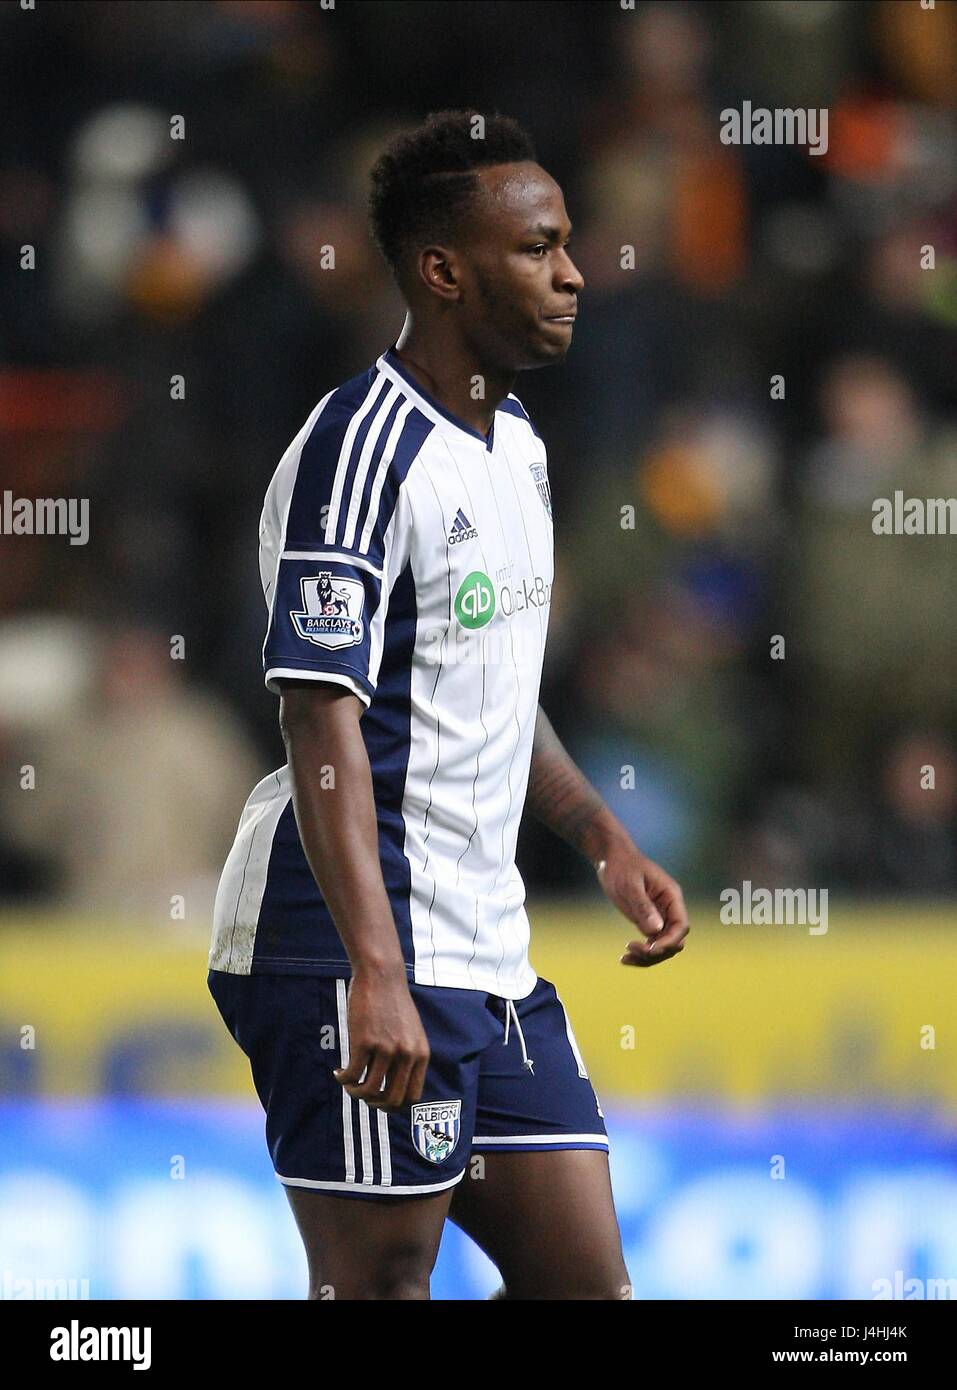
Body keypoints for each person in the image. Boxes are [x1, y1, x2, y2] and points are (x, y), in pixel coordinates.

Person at [207, 110, 689, 1301]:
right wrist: (376, 967)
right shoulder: (358, 456)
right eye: (537, 247)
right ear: (443, 270)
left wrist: (599, 834)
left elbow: (494, 681)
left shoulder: (515, 443)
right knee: (378, 1286)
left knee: (590, 1288)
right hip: (344, 940)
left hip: (491, 947)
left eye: (566, 241)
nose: (573, 271)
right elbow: (319, 726)